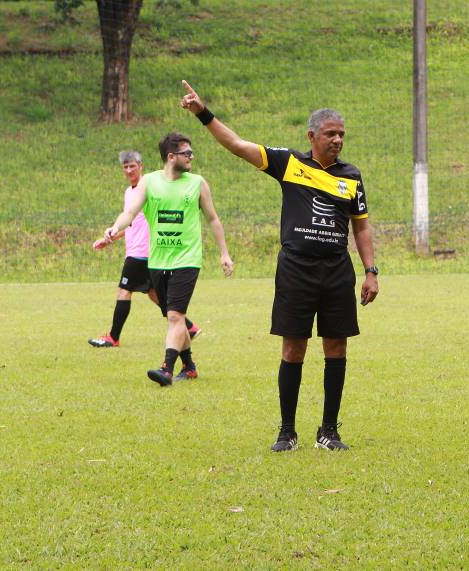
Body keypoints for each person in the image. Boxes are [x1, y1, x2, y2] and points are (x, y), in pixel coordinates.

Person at [180, 80, 379, 452]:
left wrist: (371, 271)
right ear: (312, 136)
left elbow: (362, 226)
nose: (337, 140)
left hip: (337, 271)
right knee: (293, 349)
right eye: (330, 134)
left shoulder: (351, 176)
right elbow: (237, 145)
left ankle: (329, 431)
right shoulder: (289, 163)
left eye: (341, 134)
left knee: (337, 348)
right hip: (296, 271)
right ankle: (287, 432)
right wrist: (202, 113)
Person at [104, 133, 234, 386]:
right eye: (187, 153)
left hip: (187, 260)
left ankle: (166, 369)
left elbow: (213, 219)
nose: (191, 157)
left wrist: (224, 253)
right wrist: (114, 228)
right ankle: (189, 367)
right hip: (158, 261)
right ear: (171, 156)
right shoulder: (149, 182)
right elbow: (130, 212)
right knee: (174, 317)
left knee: (175, 316)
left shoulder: (197, 183)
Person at [89, 151, 202, 363]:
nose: (129, 170)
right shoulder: (129, 192)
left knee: (124, 291)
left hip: (142, 253)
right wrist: (110, 237)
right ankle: (189, 326)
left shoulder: (150, 187)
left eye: (132, 166)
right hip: (141, 252)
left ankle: (113, 337)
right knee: (153, 293)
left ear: (141, 165)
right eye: (125, 167)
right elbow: (131, 222)